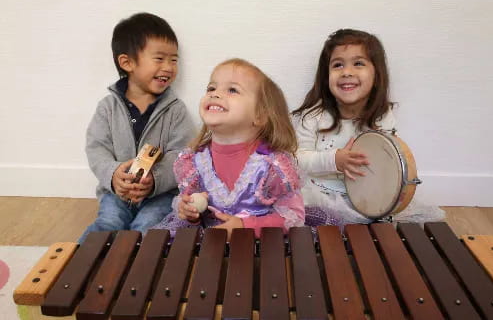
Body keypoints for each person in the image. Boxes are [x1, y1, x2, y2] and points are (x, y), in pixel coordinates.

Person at [292, 29, 445, 225]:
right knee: (317, 219)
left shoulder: (382, 117)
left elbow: (386, 163)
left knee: (399, 222)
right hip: (319, 195)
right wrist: (334, 160)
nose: (347, 72)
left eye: (358, 63)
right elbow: (296, 160)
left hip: (366, 199)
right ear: (326, 76)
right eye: (338, 65)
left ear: (376, 75)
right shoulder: (314, 116)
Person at [153, 58, 304, 239]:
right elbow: (190, 205)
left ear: (260, 115)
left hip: (261, 246)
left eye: (232, 90)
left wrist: (245, 226)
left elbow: (294, 217)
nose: (215, 94)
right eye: (211, 88)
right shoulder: (194, 161)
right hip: (211, 244)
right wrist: (189, 211)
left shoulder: (272, 166)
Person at [79, 13, 195, 242]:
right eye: (160, 58)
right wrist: (113, 175)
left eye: (174, 60)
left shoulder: (176, 110)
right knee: (108, 223)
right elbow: (97, 149)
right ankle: (77, 266)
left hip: (160, 194)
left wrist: (156, 179)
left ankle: (136, 270)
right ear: (127, 63)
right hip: (117, 194)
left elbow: (183, 155)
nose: (169, 67)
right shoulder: (107, 107)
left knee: (148, 227)